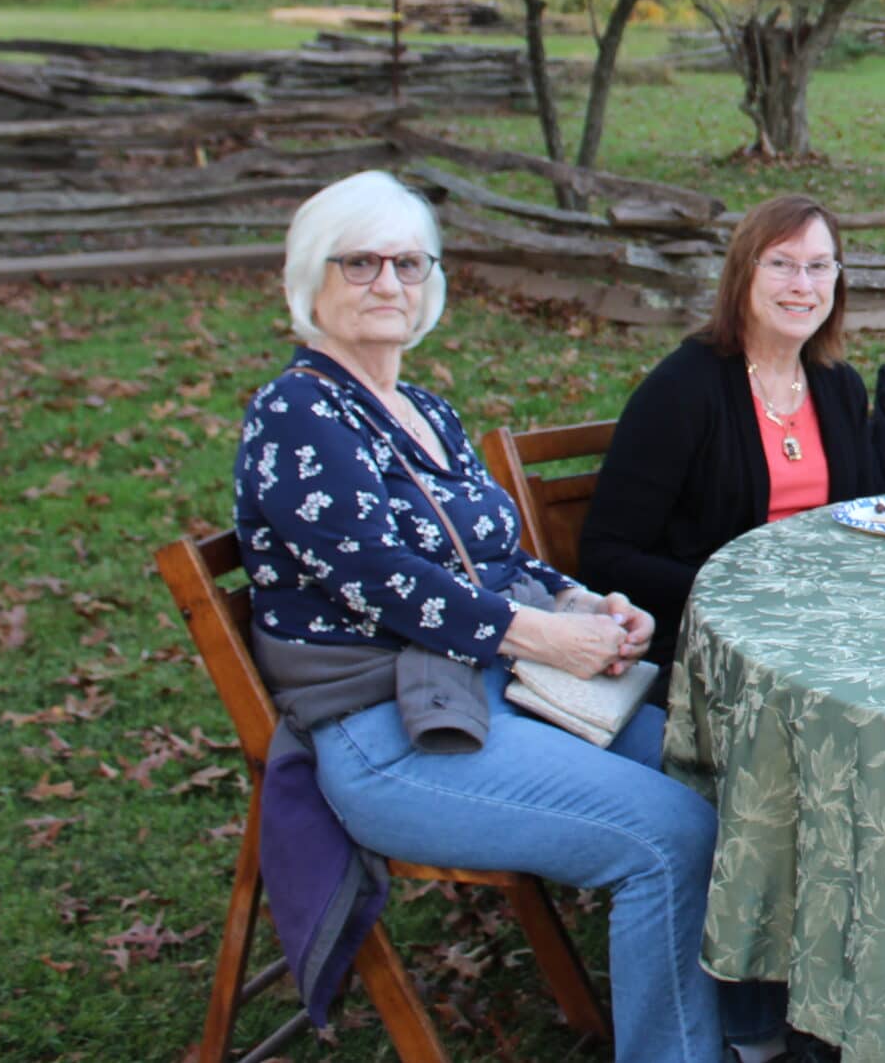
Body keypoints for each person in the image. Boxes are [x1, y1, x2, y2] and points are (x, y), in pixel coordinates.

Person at [234, 171, 728, 1062]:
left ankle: (754, 1032)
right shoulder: (296, 412)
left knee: (737, 775)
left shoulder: (423, 410)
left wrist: (580, 601)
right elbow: (379, 574)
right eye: (360, 263)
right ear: (312, 278)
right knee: (672, 836)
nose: (389, 282)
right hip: (393, 734)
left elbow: (494, 552)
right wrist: (543, 634)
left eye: (409, 263)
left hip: (496, 688)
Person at [583, 195, 882, 670]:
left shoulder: (838, 385)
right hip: (713, 639)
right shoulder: (681, 390)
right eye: (782, 264)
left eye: (819, 266)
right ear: (745, 273)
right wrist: (741, 586)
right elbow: (605, 555)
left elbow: (865, 519)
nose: (802, 285)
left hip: (828, 623)